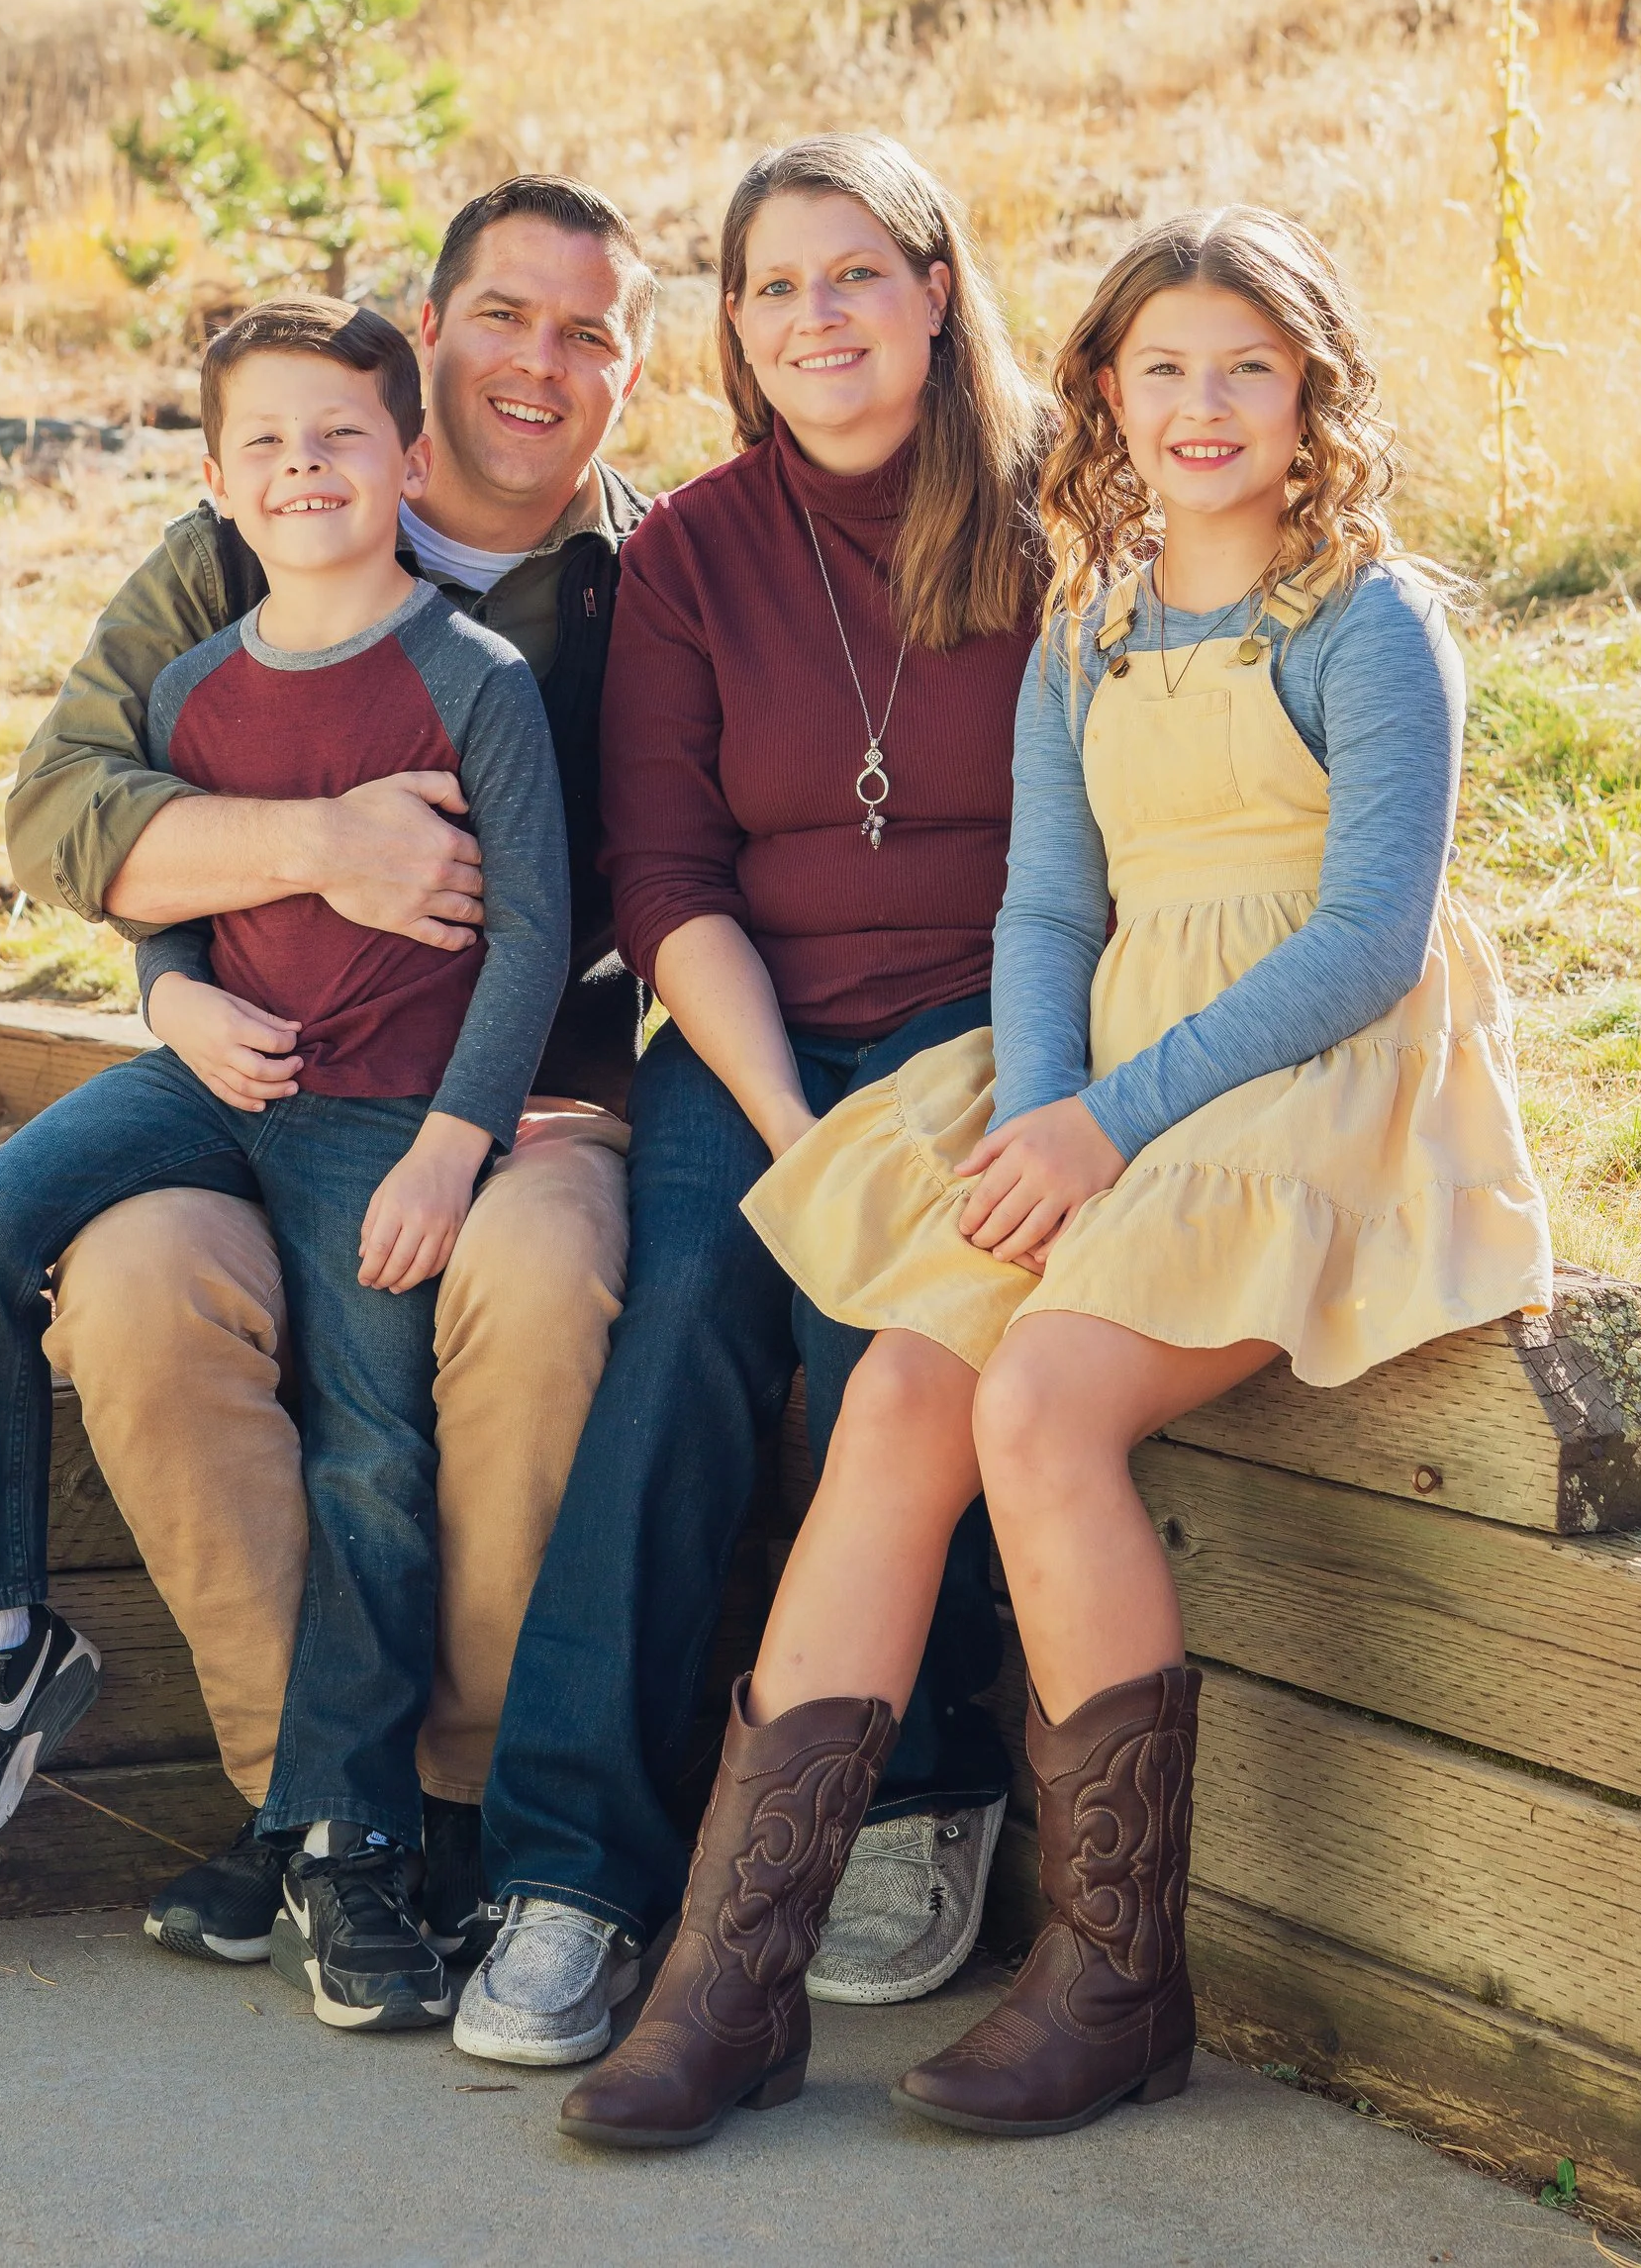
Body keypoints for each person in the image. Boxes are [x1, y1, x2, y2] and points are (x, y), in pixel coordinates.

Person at [556, 204, 1555, 2147]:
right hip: (1103, 1063)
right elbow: (1042, 902)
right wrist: (1039, 1110)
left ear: (1308, 397)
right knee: (903, 1395)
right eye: (1159, 370)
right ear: (1099, 388)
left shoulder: (1362, 617)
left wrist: (1114, 1118)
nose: (1198, 410)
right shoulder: (1084, 620)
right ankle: (731, 1976)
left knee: (1037, 1398)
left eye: (1242, 372)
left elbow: (1361, 938)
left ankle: (1113, 1981)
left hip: (1310, 1072)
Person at [0, 296, 571, 2036]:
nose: (304, 467)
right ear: (212, 483)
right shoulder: (192, 680)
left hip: (376, 1123)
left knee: (372, 1460)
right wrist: (177, 1007)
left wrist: (448, 1150)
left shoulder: (475, 679)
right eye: (264, 443)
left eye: (340, 436)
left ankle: (352, 1835)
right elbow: (152, 885)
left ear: (408, 461)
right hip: (220, 1081)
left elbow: (536, 941)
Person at [1, 178, 653, 1969]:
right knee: (130, 1291)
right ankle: (308, 1798)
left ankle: (456, 1800)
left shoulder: (643, 582)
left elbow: (696, 864)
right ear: (427, 338)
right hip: (271, 1080)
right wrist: (292, 864)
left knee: (528, 1279)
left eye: (587, 332)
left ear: (633, 369)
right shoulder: (267, 516)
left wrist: (612, 1084)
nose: (539, 364)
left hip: (526, 1098)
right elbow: (66, 808)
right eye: (503, 318)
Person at [453, 135, 1050, 2069]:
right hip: (749, 1033)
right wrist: (797, 1137)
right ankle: (568, 1874)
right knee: (688, 1319)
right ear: (729, 322)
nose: (817, 318)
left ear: (936, 292)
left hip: (993, 1017)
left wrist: (956, 1121)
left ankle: (910, 1784)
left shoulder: (1052, 520)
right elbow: (667, 877)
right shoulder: (688, 553)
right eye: (774, 286)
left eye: (855, 274)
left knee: (883, 1320)